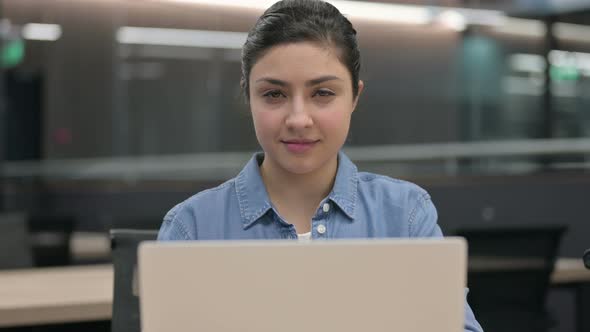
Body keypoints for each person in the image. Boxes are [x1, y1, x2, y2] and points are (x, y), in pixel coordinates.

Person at [158, 0, 483, 331]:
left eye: (323, 93)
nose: (299, 119)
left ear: (355, 97)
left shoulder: (405, 215)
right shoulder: (192, 227)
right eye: (273, 94)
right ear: (248, 97)